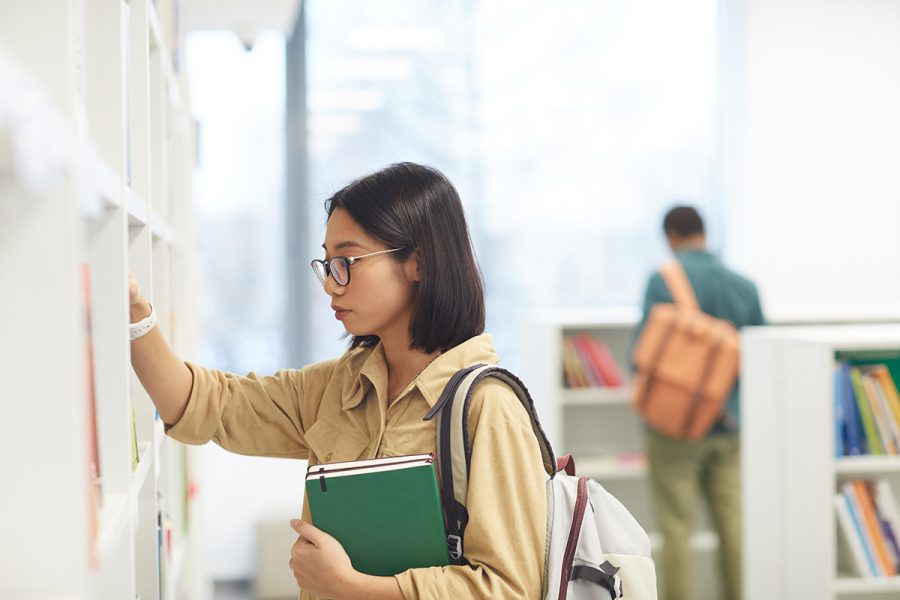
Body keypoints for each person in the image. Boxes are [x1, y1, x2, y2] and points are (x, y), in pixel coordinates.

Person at [128, 162, 547, 600]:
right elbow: (202, 405)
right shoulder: (340, 386)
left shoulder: (490, 408)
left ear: (418, 263)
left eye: (346, 262)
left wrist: (350, 587)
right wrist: (137, 317)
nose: (330, 284)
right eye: (326, 264)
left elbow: (509, 589)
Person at [632, 205, 764, 600]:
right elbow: (760, 360)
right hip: (729, 426)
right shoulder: (745, 286)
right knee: (733, 525)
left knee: (676, 528)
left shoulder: (662, 281)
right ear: (704, 233)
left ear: (672, 236)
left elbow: (643, 353)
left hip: (674, 427)